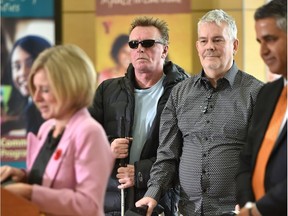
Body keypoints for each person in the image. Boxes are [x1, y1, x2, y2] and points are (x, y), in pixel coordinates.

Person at [136, 9, 263, 216]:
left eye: (218, 40)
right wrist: (153, 193)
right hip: (187, 211)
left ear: (235, 45)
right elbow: (167, 155)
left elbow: (266, 159)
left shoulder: (256, 93)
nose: (209, 47)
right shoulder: (179, 94)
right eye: (203, 41)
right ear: (197, 47)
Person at [89, 16, 189, 215]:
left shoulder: (185, 91)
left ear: (165, 50)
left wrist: (141, 173)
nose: (139, 49)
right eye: (134, 44)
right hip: (110, 202)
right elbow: (86, 144)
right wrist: (108, 147)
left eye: (148, 43)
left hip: (160, 202)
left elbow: (192, 153)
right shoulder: (107, 90)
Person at [0, 44, 114, 216]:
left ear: (71, 86)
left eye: (45, 90)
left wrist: (29, 193)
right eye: (35, 88)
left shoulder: (90, 132)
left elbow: (89, 205)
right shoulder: (47, 128)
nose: (36, 98)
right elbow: (50, 182)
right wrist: (22, 177)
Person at [236, 1, 287, 216]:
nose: (263, 51)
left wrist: (259, 210)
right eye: (259, 41)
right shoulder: (267, 93)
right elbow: (247, 158)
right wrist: (248, 205)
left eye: (271, 39)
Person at [1, 35, 51, 135]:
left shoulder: (55, 110)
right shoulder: (27, 108)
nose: (22, 72)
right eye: (17, 66)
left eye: (30, 63)